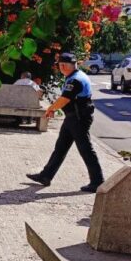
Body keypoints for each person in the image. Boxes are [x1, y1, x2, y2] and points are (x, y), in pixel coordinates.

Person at [26, 53, 105, 193]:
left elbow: (65, 99)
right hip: (73, 117)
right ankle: (46, 176)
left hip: (79, 118)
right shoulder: (75, 76)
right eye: (60, 65)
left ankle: (97, 181)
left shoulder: (75, 80)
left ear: (74, 64)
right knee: (60, 148)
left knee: (85, 149)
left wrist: (51, 109)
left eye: (65, 65)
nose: (62, 67)